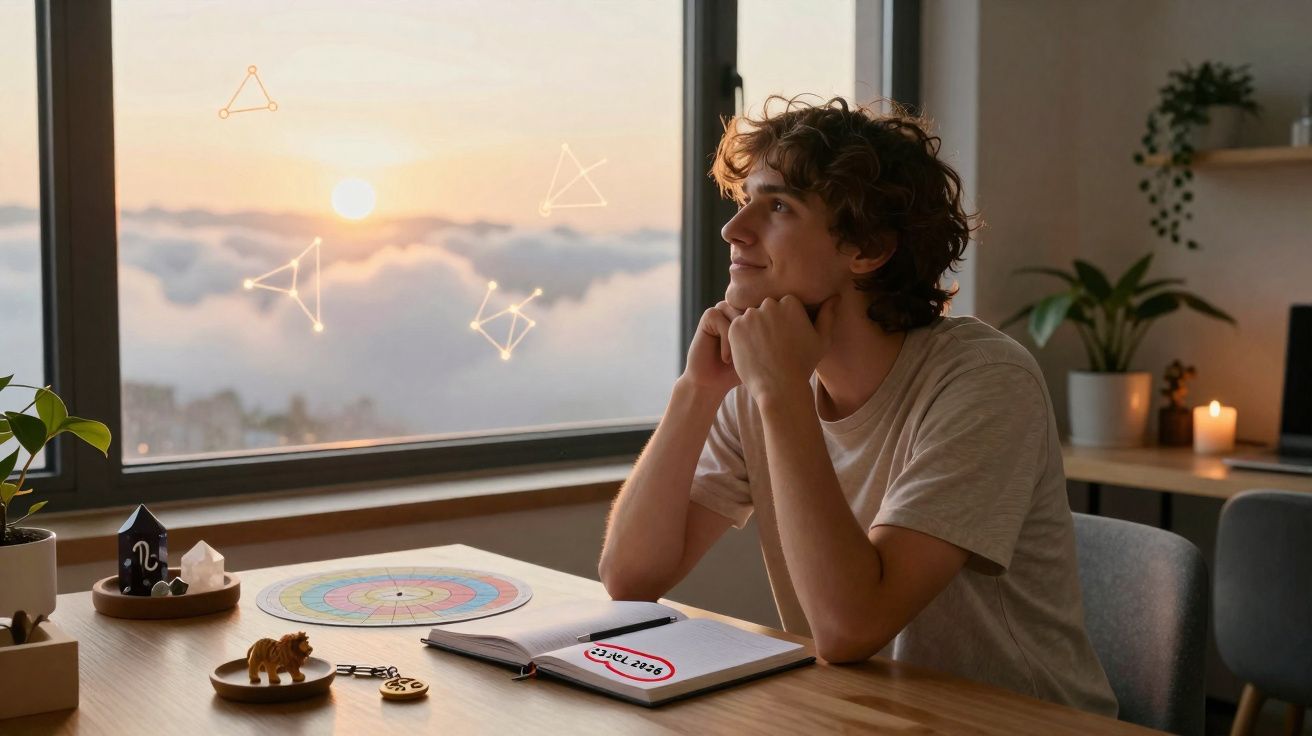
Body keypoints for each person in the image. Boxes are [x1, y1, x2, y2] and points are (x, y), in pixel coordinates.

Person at [597, 96, 1118, 716]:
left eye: (779, 205)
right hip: (864, 715)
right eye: (744, 203)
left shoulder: (984, 381)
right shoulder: (765, 380)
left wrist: (781, 391)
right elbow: (631, 580)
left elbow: (848, 629)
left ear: (867, 248)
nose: (733, 230)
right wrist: (698, 391)